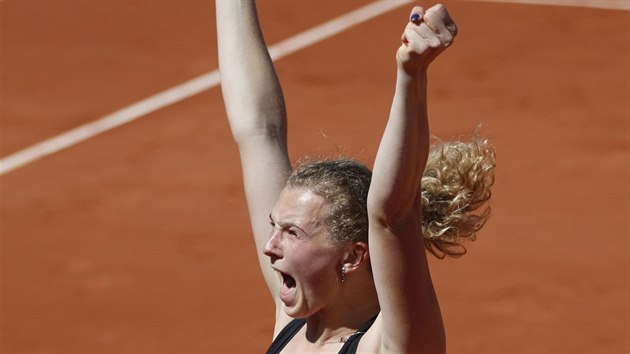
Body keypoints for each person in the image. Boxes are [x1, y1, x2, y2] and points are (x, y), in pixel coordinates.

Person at [216, 1, 495, 353]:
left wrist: (411, 75)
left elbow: (394, 215)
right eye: (275, 226)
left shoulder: (393, 345)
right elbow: (259, 132)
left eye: (292, 233)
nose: (269, 246)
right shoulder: (297, 326)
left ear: (351, 256)